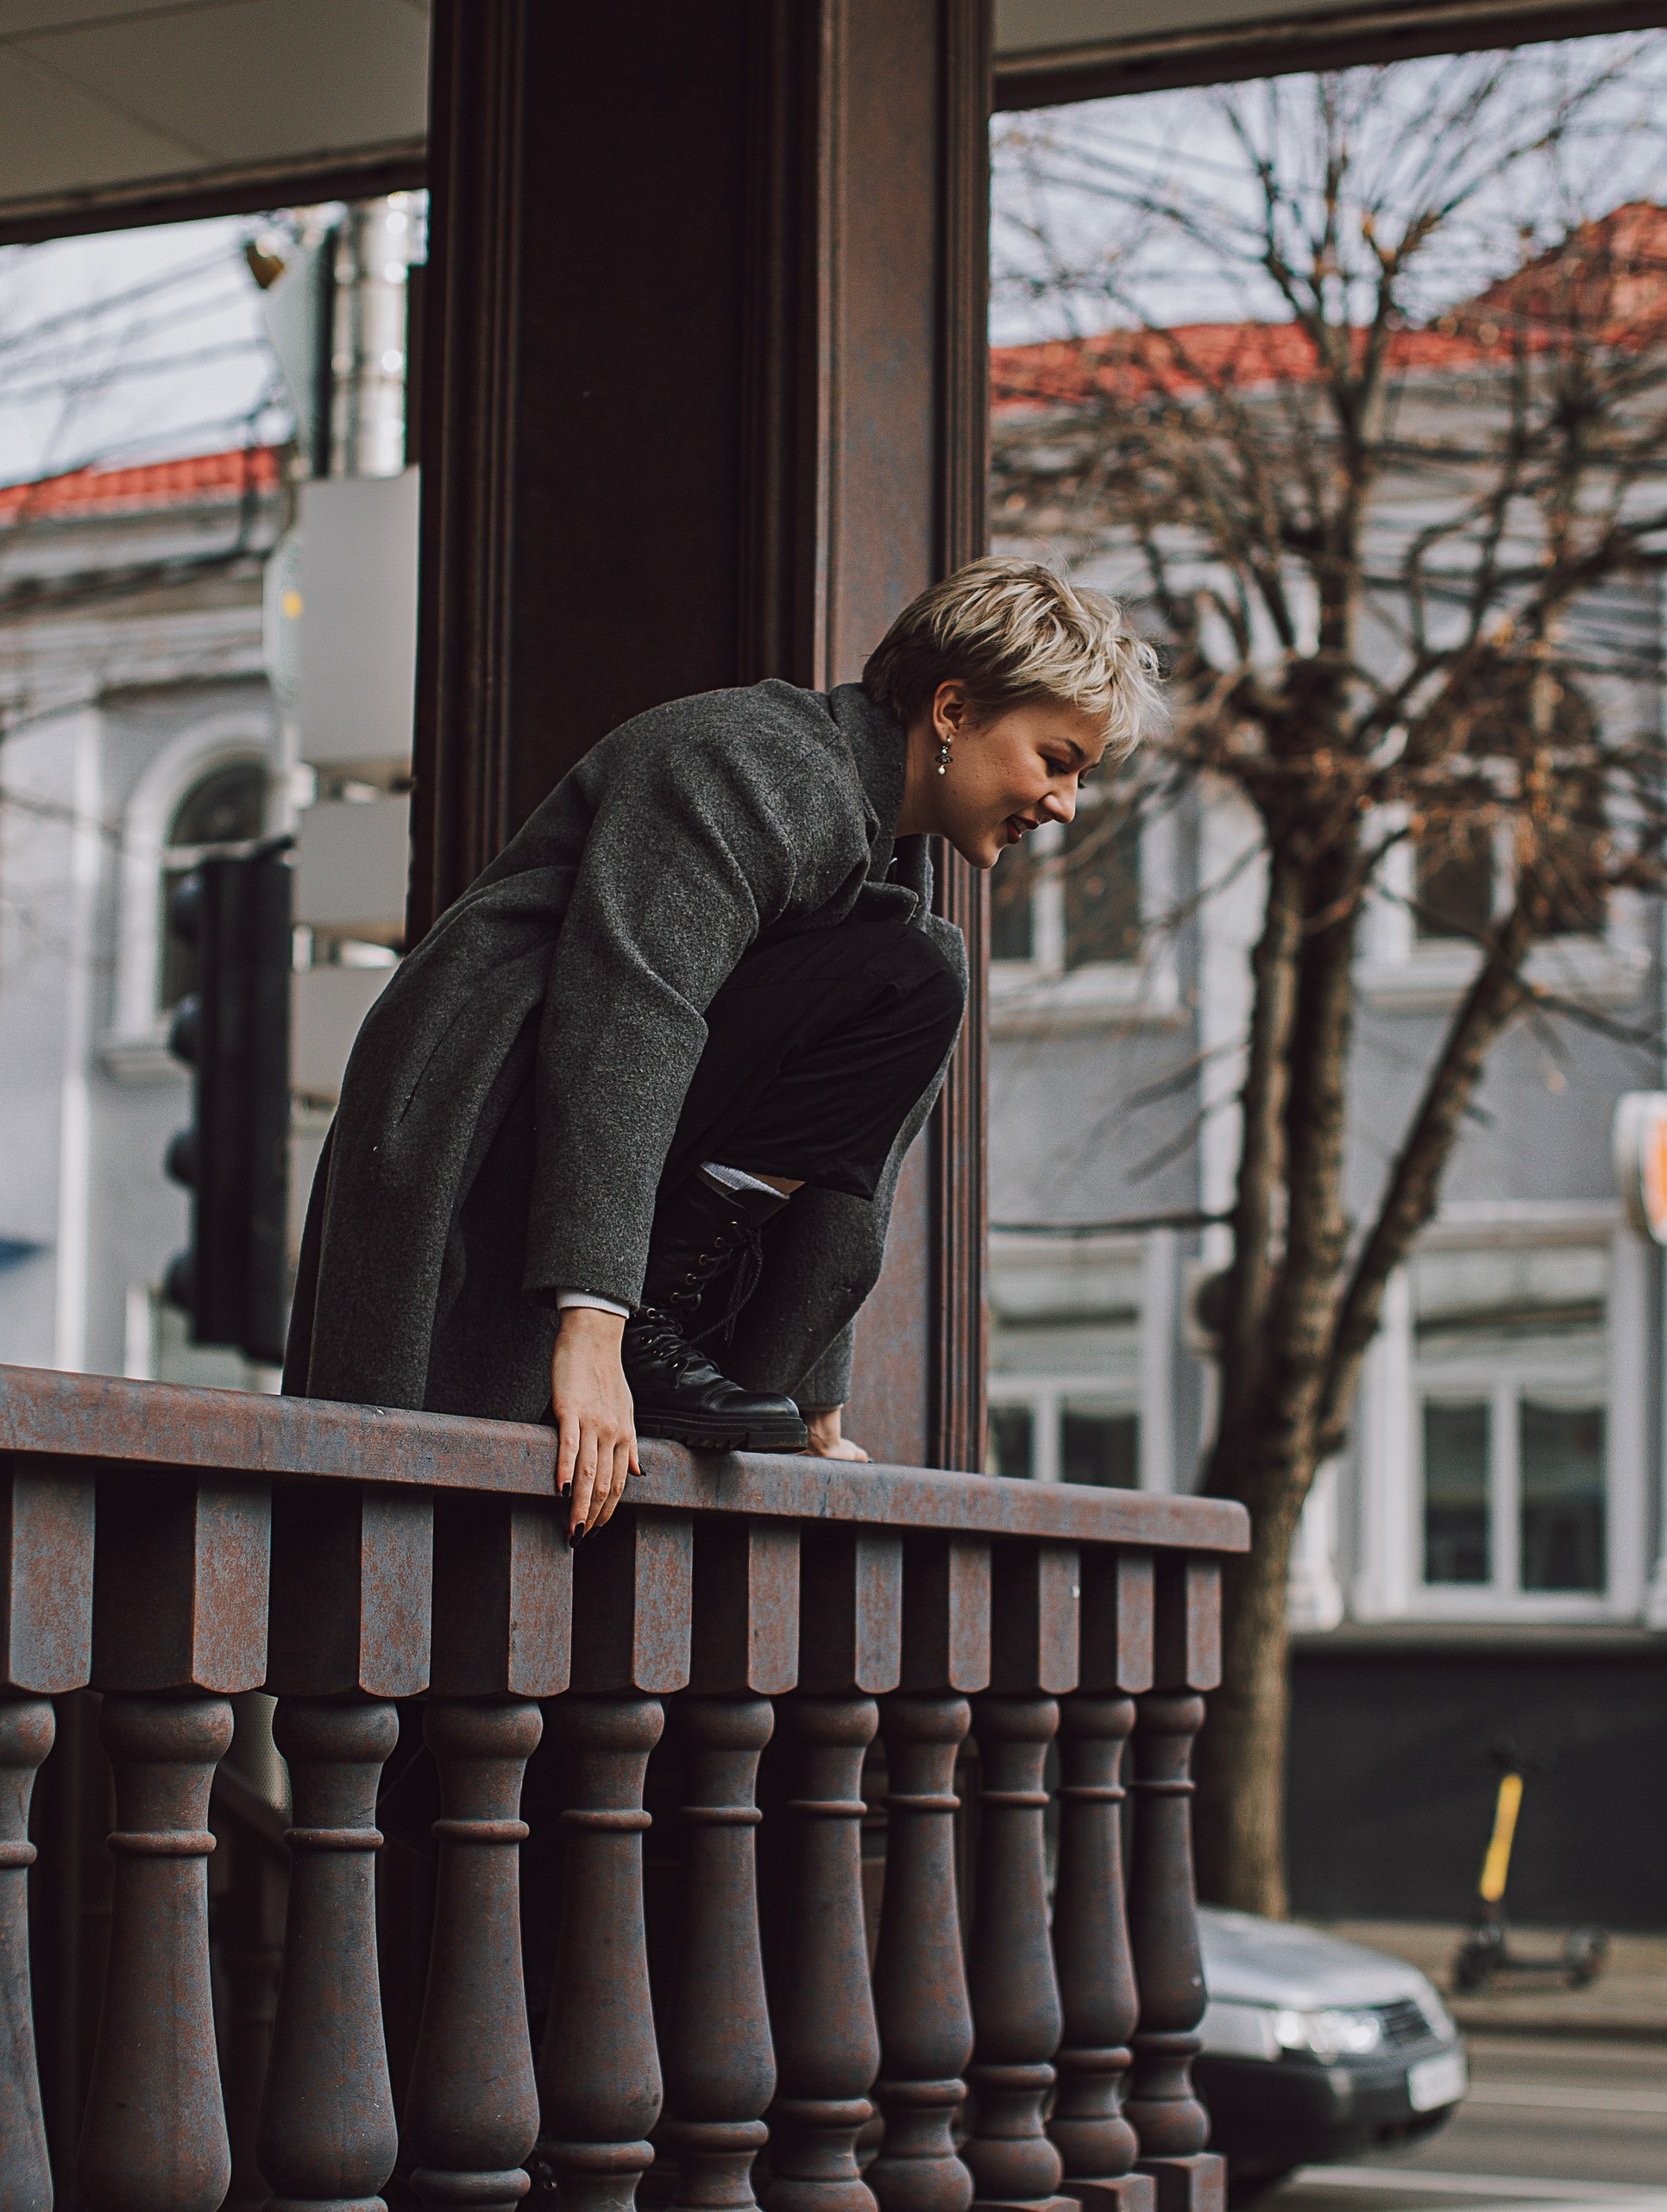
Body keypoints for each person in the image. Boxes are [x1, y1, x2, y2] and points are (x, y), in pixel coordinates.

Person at [284, 558, 1159, 1534]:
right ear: (952, 710)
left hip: (589, 1137)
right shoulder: (753, 765)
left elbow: (846, 1154)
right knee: (917, 970)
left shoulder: (886, 872)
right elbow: (628, 1020)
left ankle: (660, 1317)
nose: (1067, 803)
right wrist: (593, 1327)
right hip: (483, 1105)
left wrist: (806, 1390)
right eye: (1057, 758)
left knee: (920, 967)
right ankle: (644, 1310)